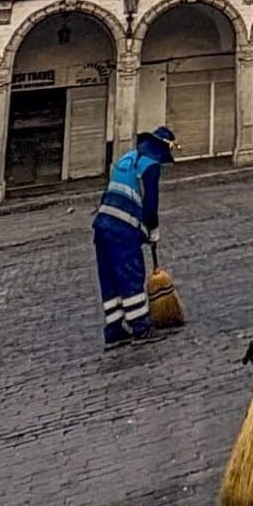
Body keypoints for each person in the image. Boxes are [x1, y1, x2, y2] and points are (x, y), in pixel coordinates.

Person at [91, 125, 176, 351]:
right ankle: (141, 326)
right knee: (131, 274)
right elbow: (150, 203)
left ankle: (114, 329)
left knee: (110, 277)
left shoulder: (126, 159)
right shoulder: (150, 166)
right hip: (123, 227)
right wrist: (153, 230)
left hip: (102, 224)